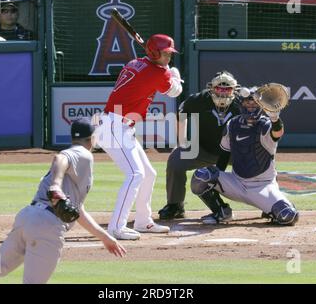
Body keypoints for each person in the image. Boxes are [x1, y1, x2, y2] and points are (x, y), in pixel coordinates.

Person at [0, 118, 126, 284]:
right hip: (47, 226)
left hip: (28, 216)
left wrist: (104, 237)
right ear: (92, 138)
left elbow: (77, 211)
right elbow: (60, 158)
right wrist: (55, 185)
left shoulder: (77, 167)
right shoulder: (83, 154)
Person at [94, 34, 183, 240]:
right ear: (154, 52)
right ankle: (116, 227)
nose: (169, 57)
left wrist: (166, 69)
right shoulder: (156, 73)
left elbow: (158, 74)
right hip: (114, 126)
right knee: (135, 174)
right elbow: (174, 92)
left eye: (170, 53)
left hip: (119, 126)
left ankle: (143, 221)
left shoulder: (137, 62)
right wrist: (174, 74)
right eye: (166, 53)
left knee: (148, 173)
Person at [190, 87, 299, 226]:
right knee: (201, 176)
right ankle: (221, 211)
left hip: (263, 186)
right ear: (241, 105)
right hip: (237, 182)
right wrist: (216, 177)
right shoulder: (232, 124)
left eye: (254, 104)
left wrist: (275, 118)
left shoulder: (266, 124)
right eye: (247, 104)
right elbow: (224, 154)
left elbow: (277, 133)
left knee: (287, 216)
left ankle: (273, 206)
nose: (251, 107)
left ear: (261, 106)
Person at [158, 71, 241, 222]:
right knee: (176, 160)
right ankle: (175, 205)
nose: (223, 92)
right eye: (219, 89)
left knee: (261, 163)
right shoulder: (198, 100)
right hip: (202, 149)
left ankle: (270, 204)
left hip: (233, 151)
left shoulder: (242, 103)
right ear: (211, 88)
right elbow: (181, 116)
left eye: (227, 89)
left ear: (234, 89)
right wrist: (181, 144)